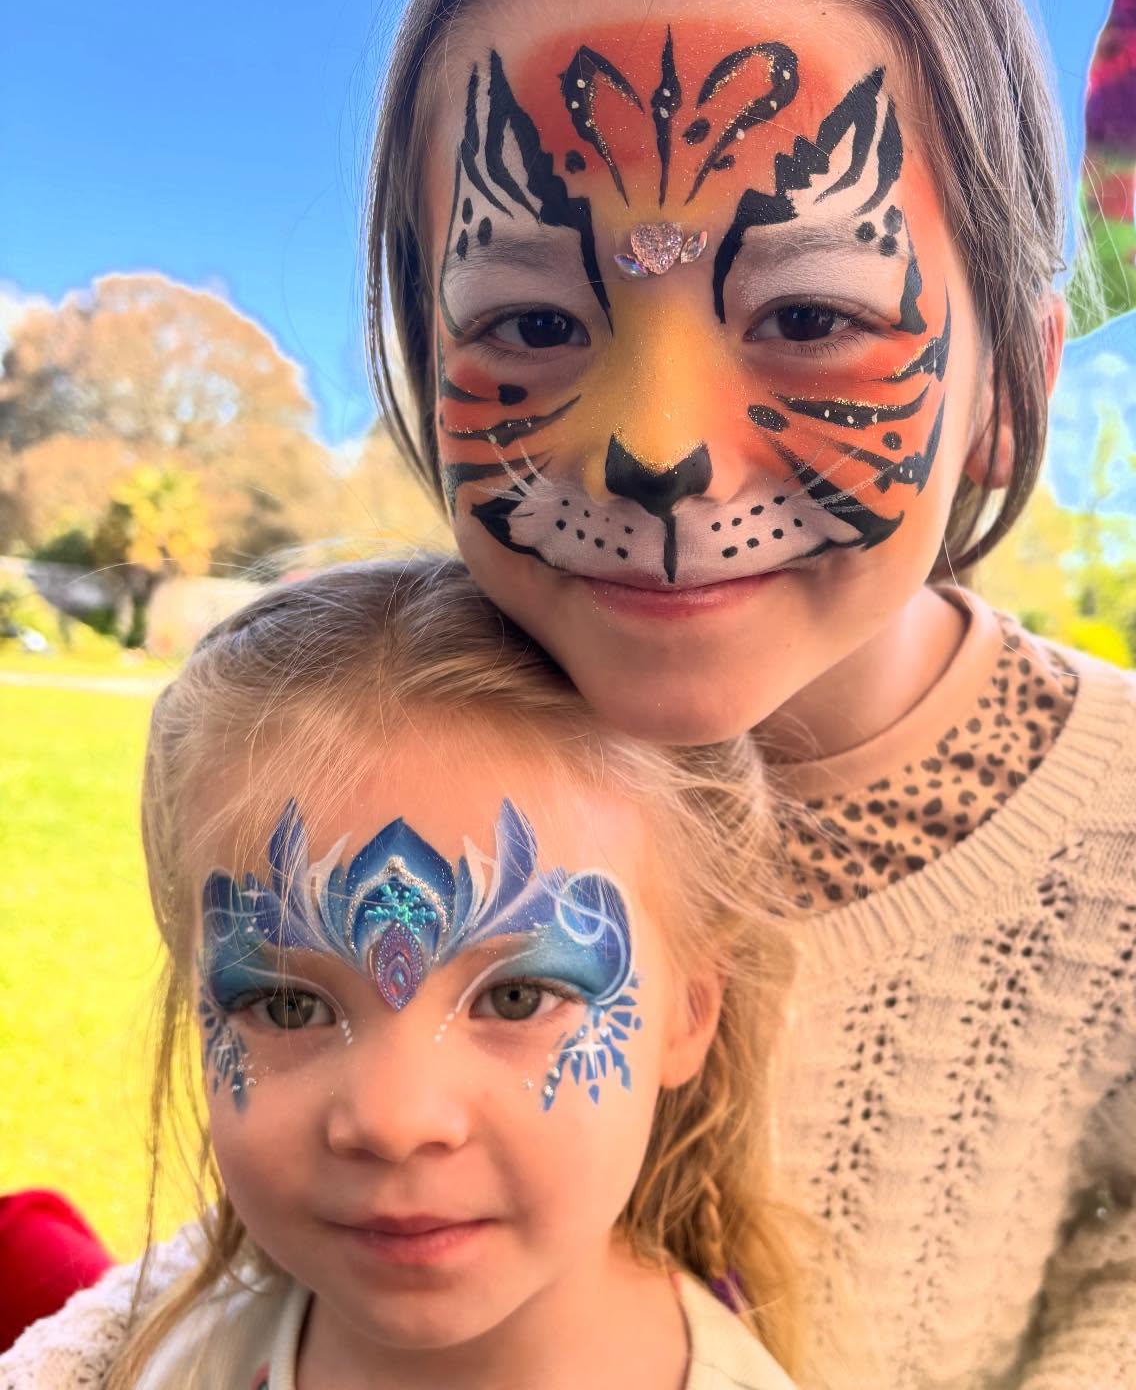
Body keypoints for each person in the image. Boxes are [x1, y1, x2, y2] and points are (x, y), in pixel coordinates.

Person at [20, 0, 1136, 1384]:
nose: (656, 446)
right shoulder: (399, 746)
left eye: (810, 316)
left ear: (1009, 387)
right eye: (529, 323)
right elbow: (306, 1214)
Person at [1, 559, 803, 1389]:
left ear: (691, 1011)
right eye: (284, 1005)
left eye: (518, 996)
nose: (392, 1118)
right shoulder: (170, 1361)